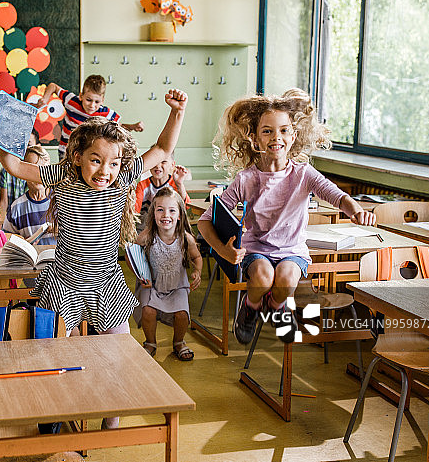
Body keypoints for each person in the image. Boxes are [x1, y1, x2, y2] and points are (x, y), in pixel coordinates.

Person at [0, 89, 187, 429]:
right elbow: (15, 165)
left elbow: (163, 149)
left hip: (106, 278)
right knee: (55, 350)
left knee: (117, 351)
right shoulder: (62, 176)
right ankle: (56, 415)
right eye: (96, 159)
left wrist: (177, 112)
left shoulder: (122, 177)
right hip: (65, 277)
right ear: (77, 156)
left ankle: (110, 419)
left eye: (113, 162)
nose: (105, 170)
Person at [197, 88, 376, 345]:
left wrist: (355, 209)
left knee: (287, 279)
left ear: (293, 136)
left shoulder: (304, 174)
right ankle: (251, 306)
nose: (276, 137)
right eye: (267, 131)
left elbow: (335, 195)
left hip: (292, 250)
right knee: (262, 277)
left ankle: (276, 306)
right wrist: (223, 252)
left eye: (283, 130)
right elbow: (205, 221)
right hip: (257, 248)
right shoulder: (246, 179)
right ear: (255, 140)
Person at [133, 187, 203, 360]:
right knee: (148, 310)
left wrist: (197, 271)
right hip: (153, 283)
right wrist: (141, 275)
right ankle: (150, 342)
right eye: (160, 210)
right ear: (153, 214)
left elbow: (197, 257)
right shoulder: (148, 235)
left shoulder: (185, 237)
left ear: (179, 215)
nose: (166, 215)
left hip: (177, 284)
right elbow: (132, 253)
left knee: (182, 315)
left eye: (172, 210)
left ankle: (179, 342)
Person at [38, 75, 144, 160]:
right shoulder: (71, 102)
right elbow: (53, 86)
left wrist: (133, 126)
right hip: (66, 151)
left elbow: (119, 126)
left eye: (97, 102)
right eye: (88, 100)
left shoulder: (105, 113)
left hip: (89, 154)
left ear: (102, 100)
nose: (92, 105)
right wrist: (44, 99)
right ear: (81, 96)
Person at [2, 144, 55, 245]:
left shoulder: (62, 201)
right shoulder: (16, 208)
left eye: (44, 169)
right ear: (23, 173)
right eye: (33, 169)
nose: (40, 175)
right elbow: (7, 242)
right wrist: (21, 244)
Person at [0, 130, 38, 223]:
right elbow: (3, 202)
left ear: (37, 147)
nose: (25, 149)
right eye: (21, 145)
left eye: (29, 144)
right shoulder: (6, 171)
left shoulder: (40, 172)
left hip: (32, 219)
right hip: (12, 219)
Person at [134, 150, 191, 214]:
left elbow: (185, 207)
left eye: (163, 162)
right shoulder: (142, 185)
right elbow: (135, 211)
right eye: (154, 161)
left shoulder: (176, 183)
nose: (158, 166)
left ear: (172, 165)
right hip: (147, 223)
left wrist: (179, 184)